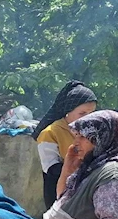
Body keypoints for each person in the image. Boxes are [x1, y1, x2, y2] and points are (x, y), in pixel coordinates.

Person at [34, 80, 97, 210]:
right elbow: (51, 168)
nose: (88, 118)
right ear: (68, 110)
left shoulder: (93, 131)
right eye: (82, 113)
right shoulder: (50, 133)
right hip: (58, 195)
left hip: (85, 193)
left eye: (91, 113)